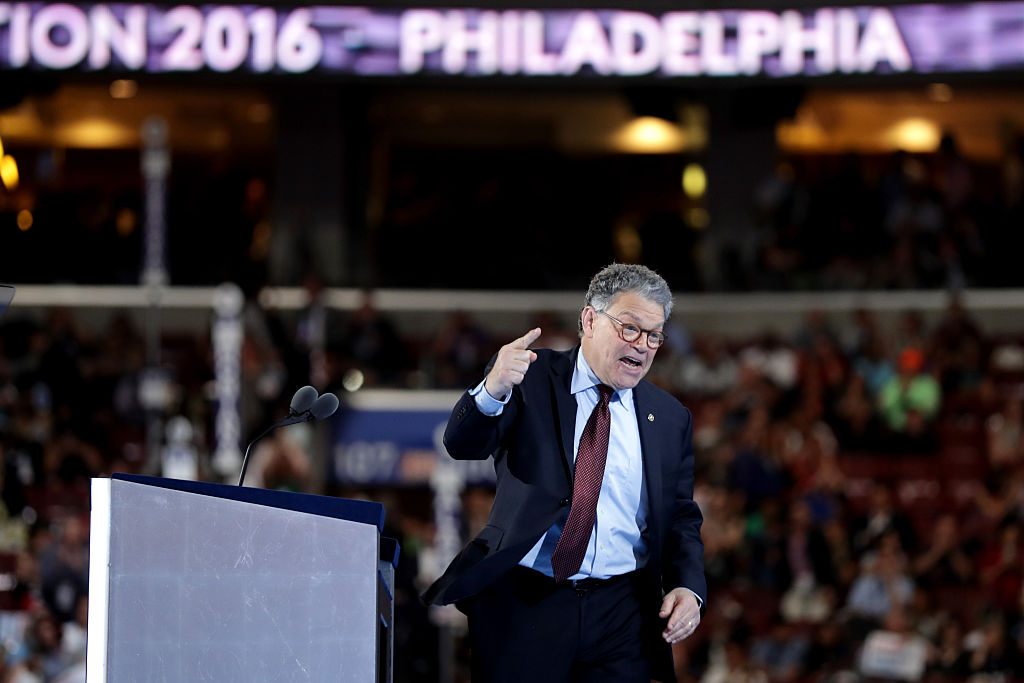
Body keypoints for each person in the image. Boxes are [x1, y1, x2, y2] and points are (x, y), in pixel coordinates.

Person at [423, 264, 706, 683]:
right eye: (629, 328)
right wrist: (492, 388)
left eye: (653, 335)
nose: (642, 346)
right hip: (528, 600)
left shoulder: (669, 416)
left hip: (622, 610)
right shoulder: (529, 377)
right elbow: (462, 445)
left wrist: (688, 586)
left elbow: (681, 515)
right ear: (590, 320)